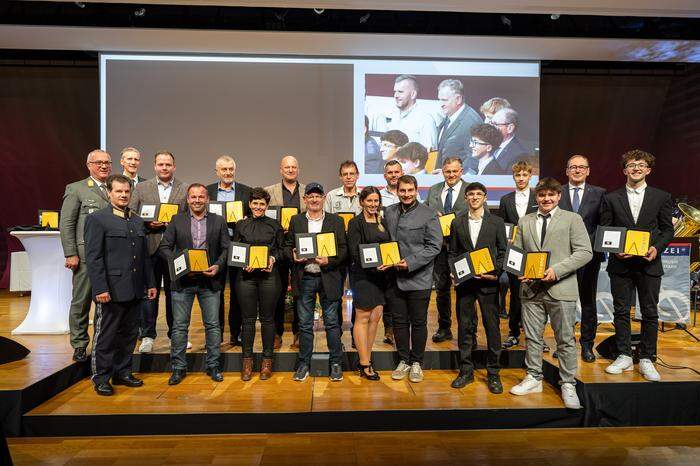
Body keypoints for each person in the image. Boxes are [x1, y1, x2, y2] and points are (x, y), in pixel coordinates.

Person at [509, 178, 592, 410]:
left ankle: (567, 382)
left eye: (551, 195)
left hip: (561, 288)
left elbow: (585, 252)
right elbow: (517, 252)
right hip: (530, 289)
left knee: (564, 339)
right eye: (542, 195)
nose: (546, 199)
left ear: (558, 196)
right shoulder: (525, 221)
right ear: (536, 197)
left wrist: (557, 271)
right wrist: (518, 269)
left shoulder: (572, 219)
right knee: (533, 337)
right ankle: (534, 377)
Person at [600, 150, 674, 381]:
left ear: (648, 170)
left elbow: (667, 229)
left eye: (641, 165)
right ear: (624, 170)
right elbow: (605, 230)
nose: (636, 168)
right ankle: (623, 354)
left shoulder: (661, 196)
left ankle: (647, 358)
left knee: (650, 311)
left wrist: (656, 248)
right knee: (621, 310)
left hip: (649, 262)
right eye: (631, 165)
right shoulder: (611, 198)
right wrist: (614, 249)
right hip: (620, 264)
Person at [84, 174, 157, 396]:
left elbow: (144, 257)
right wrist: (100, 289)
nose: (124, 195)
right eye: (119, 191)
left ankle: (123, 372)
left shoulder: (136, 220)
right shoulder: (97, 219)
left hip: (135, 288)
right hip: (111, 290)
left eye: (127, 191)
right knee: (105, 335)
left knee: (128, 334)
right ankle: (102, 377)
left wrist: (150, 283)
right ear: (109, 193)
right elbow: (93, 257)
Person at [159, 184, 230, 385]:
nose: (197, 200)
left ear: (207, 199)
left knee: (213, 325)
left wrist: (217, 266)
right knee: (180, 327)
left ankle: (213, 366)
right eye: (193, 197)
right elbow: (165, 247)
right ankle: (179, 368)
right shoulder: (176, 220)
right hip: (183, 282)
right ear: (188, 199)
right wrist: (178, 264)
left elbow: (226, 248)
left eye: (201, 196)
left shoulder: (218, 220)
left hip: (210, 281)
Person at [285, 183, 347, 382]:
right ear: (304, 199)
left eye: (318, 196)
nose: (314, 199)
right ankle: (304, 363)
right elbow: (287, 246)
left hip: (328, 277)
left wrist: (330, 260)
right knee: (304, 325)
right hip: (305, 278)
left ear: (323, 199)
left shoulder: (336, 221)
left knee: (332, 323)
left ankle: (336, 363)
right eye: (310, 196)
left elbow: (344, 250)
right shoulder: (296, 220)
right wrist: (293, 255)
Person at [449, 182, 507, 393]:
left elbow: (503, 252)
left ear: (485, 197)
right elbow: (453, 253)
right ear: (466, 198)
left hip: (488, 282)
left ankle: (493, 373)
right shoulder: (457, 222)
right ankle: (466, 371)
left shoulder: (497, 222)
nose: (474, 197)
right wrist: (454, 272)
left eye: (478, 194)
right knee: (464, 327)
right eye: (470, 194)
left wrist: (495, 273)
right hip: (465, 283)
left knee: (492, 327)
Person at [130, 151, 188, 353]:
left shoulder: (184, 188)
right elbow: (131, 214)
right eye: (161, 164)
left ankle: (176, 335)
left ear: (174, 166)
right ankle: (147, 335)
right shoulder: (141, 188)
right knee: (149, 294)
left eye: (168, 164)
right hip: (149, 247)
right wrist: (147, 224)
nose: (164, 168)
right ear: (154, 166)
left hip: (174, 249)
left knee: (176, 293)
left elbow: (189, 217)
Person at [385, 175, 442, 383]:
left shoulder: (428, 213)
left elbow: (434, 246)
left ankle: (417, 362)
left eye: (410, 190)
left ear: (416, 190)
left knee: (418, 322)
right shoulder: (389, 212)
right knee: (399, 322)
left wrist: (410, 262)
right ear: (397, 191)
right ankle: (404, 360)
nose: (406, 194)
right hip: (394, 278)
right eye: (402, 191)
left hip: (419, 277)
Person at [59, 149, 112, 362]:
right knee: (81, 301)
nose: (103, 166)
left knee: (109, 302)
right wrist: (71, 253)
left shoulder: (116, 187)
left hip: (112, 257)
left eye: (107, 163)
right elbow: (67, 223)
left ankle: (105, 344)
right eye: (98, 163)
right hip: (85, 256)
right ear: (88, 165)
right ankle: (80, 344)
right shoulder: (77, 189)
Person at [558, 155, 606, 363]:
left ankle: (587, 345)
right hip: (561, 256)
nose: (577, 170)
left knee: (588, 302)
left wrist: (584, 248)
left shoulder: (600, 193)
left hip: (589, 257)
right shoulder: (557, 193)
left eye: (581, 167)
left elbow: (603, 225)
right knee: (562, 303)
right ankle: (564, 344)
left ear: (588, 171)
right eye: (573, 167)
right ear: (567, 171)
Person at [233, 188, 284, 381]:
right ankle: (247, 362)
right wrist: (241, 262)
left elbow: (281, 250)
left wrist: (272, 259)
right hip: (246, 277)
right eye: (255, 203)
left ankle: (266, 361)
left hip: (269, 277)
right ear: (249, 204)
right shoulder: (241, 225)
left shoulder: (275, 225)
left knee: (268, 319)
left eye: (262, 204)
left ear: (267, 206)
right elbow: (236, 250)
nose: (258, 207)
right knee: (247, 320)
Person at [205, 155, 252, 346]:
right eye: (223, 169)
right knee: (215, 291)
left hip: (237, 245)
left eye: (231, 169)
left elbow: (250, 220)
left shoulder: (245, 191)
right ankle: (216, 334)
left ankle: (236, 332)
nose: (228, 173)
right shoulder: (207, 191)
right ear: (217, 171)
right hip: (215, 247)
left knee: (237, 290)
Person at [347, 186, 391, 380]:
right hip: (363, 276)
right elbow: (355, 252)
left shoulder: (383, 222)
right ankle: (364, 364)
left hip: (382, 276)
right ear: (361, 202)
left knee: (375, 317)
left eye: (376, 201)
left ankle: (367, 358)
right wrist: (374, 268)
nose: (373, 204)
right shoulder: (356, 223)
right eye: (369, 201)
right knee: (363, 317)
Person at [425, 157, 468, 343]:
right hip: (440, 248)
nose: (451, 175)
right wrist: (432, 215)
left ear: (461, 171)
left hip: (462, 248)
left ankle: (467, 330)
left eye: (454, 171)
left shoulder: (471, 189)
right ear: (443, 171)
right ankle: (444, 328)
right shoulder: (434, 190)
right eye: (447, 171)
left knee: (465, 289)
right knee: (442, 289)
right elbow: (425, 212)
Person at [265, 155, 306, 349]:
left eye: (294, 167)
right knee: (277, 293)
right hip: (279, 248)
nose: (290, 170)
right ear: (280, 170)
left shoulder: (307, 192)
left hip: (301, 249)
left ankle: (299, 333)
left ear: (298, 169)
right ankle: (276, 333)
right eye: (287, 167)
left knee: (299, 292)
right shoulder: (269, 192)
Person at [498, 160, 539, 351]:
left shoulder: (538, 198)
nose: (521, 178)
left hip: (535, 253)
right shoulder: (506, 199)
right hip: (514, 253)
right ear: (513, 177)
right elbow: (503, 226)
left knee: (537, 295)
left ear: (530, 176)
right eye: (517, 175)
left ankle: (536, 336)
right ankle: (513, 333)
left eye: (524, 175)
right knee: (515, 295)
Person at [435, 79, 483, 172]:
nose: (441, 104)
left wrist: (451, 174)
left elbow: (474, 160)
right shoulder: (450, 115)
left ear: (458, 99)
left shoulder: (472, 122)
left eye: (444, 100)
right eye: (439, 100)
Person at [386, 74, 438, 151]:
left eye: (400, 92)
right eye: (395, 91)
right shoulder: (394, 117)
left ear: (413, 94)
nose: (396, 95)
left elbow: (430, 156)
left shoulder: (425, 119)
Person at [490, 107, 530, 173]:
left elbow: (511, 182)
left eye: (495, 124)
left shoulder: (519, 156)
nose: (491, 128)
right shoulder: (489, 143)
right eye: (491, 123)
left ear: (510, 128)